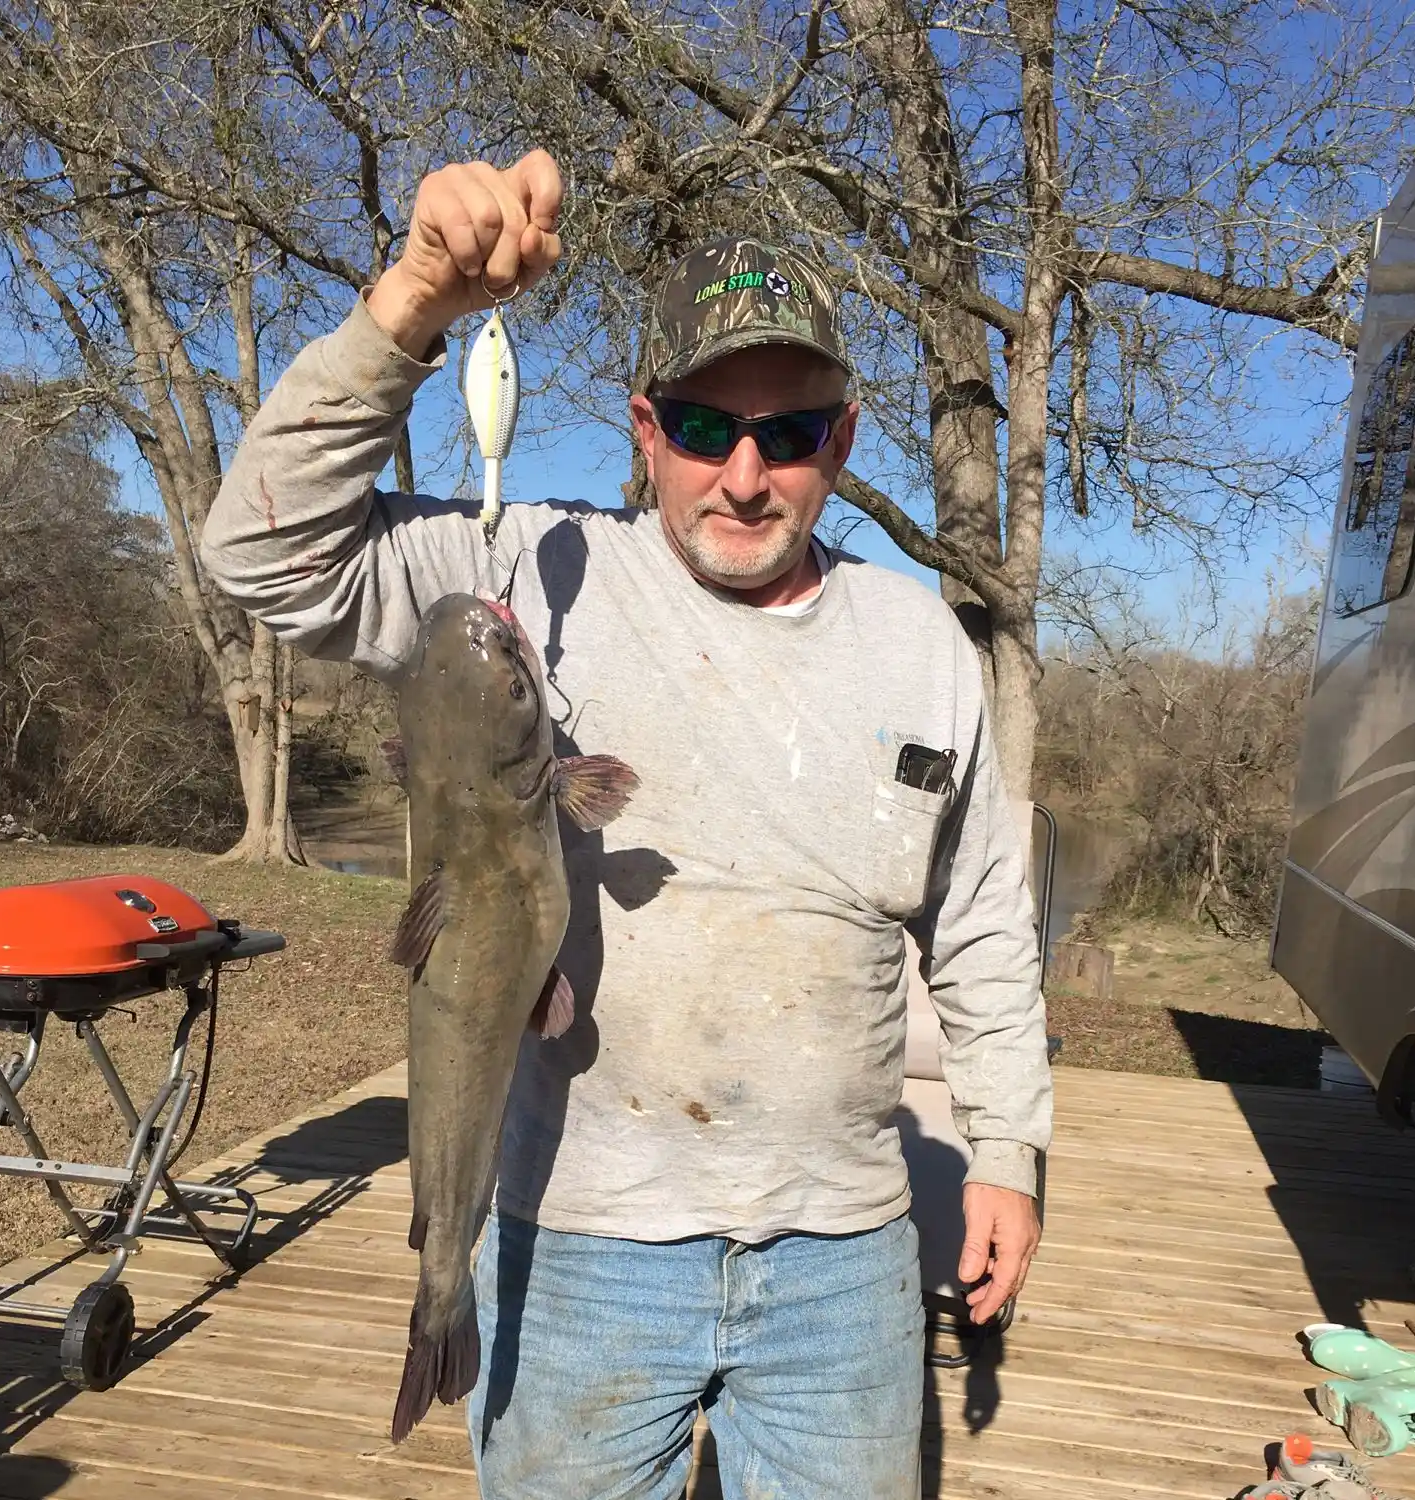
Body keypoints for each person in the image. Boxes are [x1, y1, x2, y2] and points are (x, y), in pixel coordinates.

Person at [200, 149, 1053, 1499]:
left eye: (791, 432)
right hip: (581, 1238)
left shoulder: (920, 642)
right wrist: (415, 301)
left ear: (844, 438)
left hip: (845, 1253)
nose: (747, 474)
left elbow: (985, 920)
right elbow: (260, 556)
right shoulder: (523, 570)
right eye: (708, 429)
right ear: (645, 430)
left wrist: (1004, 1150)